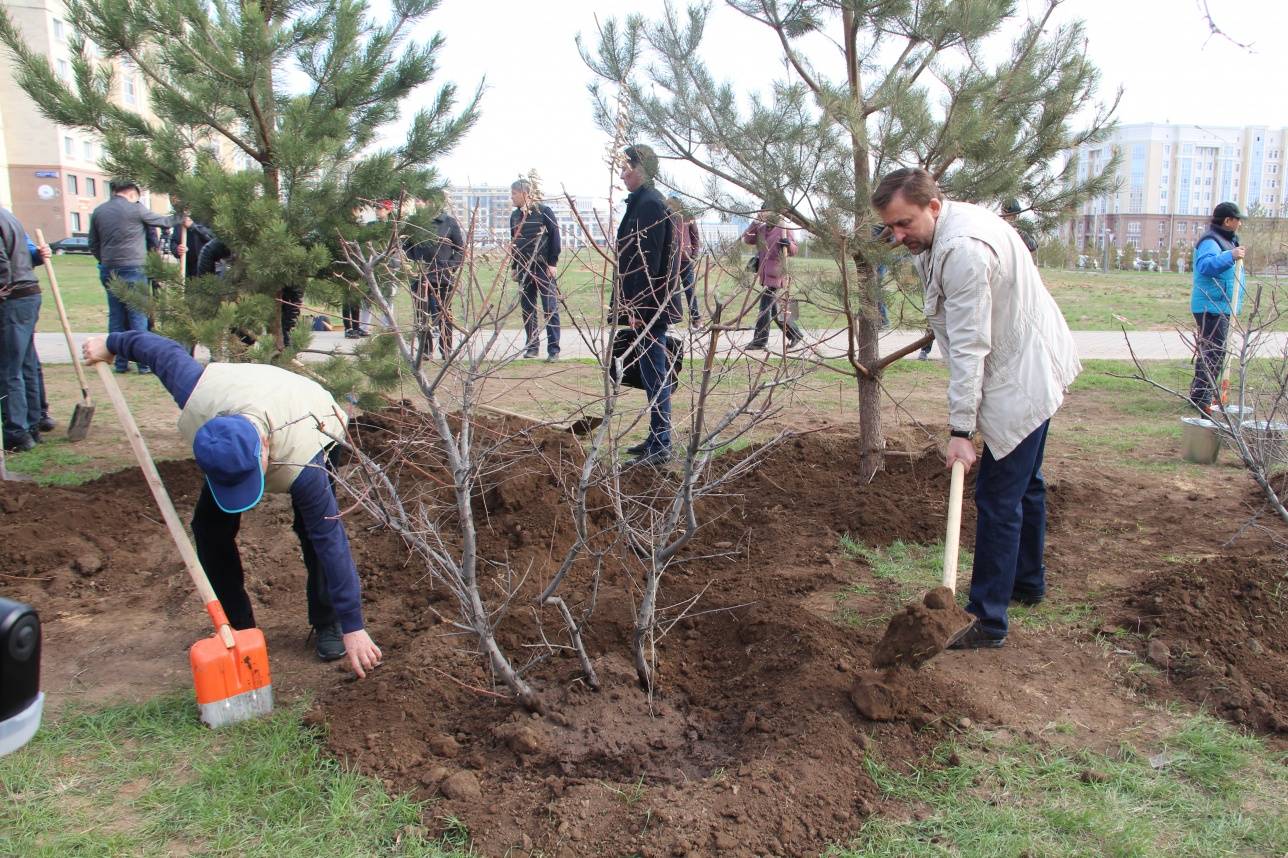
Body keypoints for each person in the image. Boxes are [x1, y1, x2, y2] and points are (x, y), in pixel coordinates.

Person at [80, 330, 383, 676]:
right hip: (246, 401)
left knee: (312, 529)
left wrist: (353, 625)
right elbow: (156, 349)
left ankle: (327, 620)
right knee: (208, 527)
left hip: (317, 418)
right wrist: (109, 343)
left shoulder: (305, 464)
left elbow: (332, 542)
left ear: (265, 448)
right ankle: (238, 626)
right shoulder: (197, 392)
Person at [872, 167, 1081, 649]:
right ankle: (1026, 582)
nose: (897, 235)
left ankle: (988, 620)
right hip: (1031, 359)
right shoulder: (949, 227)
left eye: (904, 224)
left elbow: (969, 345)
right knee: (1026, 484)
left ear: (933, 206)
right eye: (891, 227)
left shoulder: (963, 249)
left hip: (1019, 375)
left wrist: (961, 429)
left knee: (997, 497)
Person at [616, 144, 680, 467]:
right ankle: (656, 437)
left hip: (650, 308)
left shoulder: (651, 205)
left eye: (627, 167)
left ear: (642, 169)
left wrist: (639, 309)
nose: (622, 173)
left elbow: (649, 263)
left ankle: (661, 444)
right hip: (643, 306)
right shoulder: (642, 203)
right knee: (650, 372)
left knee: (655, 373)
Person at [88, 179, 183, 373]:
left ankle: (121, 363)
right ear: (132, 194)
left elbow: (93, 242)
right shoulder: (135, 209)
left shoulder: (99, 211)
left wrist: (105, 260)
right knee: (138, 315)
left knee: (116, 316)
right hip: (134, 267)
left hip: (109, 269)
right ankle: (143, 363)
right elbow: (164, 221)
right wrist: (183, 216)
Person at [0, 207, 51, 452]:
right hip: (27, 294)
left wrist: (1, 288)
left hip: (13, 298)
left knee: (10, 368)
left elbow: (1, 261)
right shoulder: (9, 215)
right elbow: (26, 253)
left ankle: (17, 433)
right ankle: (33, 424)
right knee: (26, 363)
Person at [1188, 202, 1247, 411]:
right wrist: (1230, 256)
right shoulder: (1211, 241)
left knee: (1213, 351)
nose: (1240, 223)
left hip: (1220, 306)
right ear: (1228, 220)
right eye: (1238, 219)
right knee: (1213, 352)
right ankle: (1202, 398)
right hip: (1210, 306)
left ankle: (1201, 395)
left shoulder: (1227, 240)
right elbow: (1205, 266)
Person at [509, 180, 562, 360]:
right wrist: (514, 266)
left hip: (542, 267)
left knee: (550, 308)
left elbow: (555, 237)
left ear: (524, 193)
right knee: (527, 308)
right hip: (524, 268)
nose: (512, 197)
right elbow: (514, 243)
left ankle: (553, 350)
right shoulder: (515, 216)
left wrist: (552, 263)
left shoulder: (544, 211)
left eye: (514, 194)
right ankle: (532, 347)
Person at [405, 206, 465, 359]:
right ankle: (425, 350)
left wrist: (450, 267)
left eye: (423, 200)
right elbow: (406, 246)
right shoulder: (414, 222)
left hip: (442, 278)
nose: (419, 203)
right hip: (420, 276)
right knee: (421, 315)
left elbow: (460, 249)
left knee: (444, 315)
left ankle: (446, 350)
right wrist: (415, 263)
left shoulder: (449, 222)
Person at [742, 206, 802, 349]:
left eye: (765, 211)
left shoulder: (783, 228)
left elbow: (794, 249)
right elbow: (748, 239)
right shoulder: (761, 229)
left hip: (777, 274)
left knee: (765, 307)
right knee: (773, 309)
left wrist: (789, 244)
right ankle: (795, 334)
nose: (762, 213)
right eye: (761, 211)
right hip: (764, 274)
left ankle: (760, 341)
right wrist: (755, 222)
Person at [668, 197, 702, 324]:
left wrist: (694, 253)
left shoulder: (688, 216)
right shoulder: (666, 216)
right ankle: (671, 318)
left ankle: (696, 318)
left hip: (685, 259)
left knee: (689, 288)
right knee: (671, 289)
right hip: (671, 260)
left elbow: (695, 235)